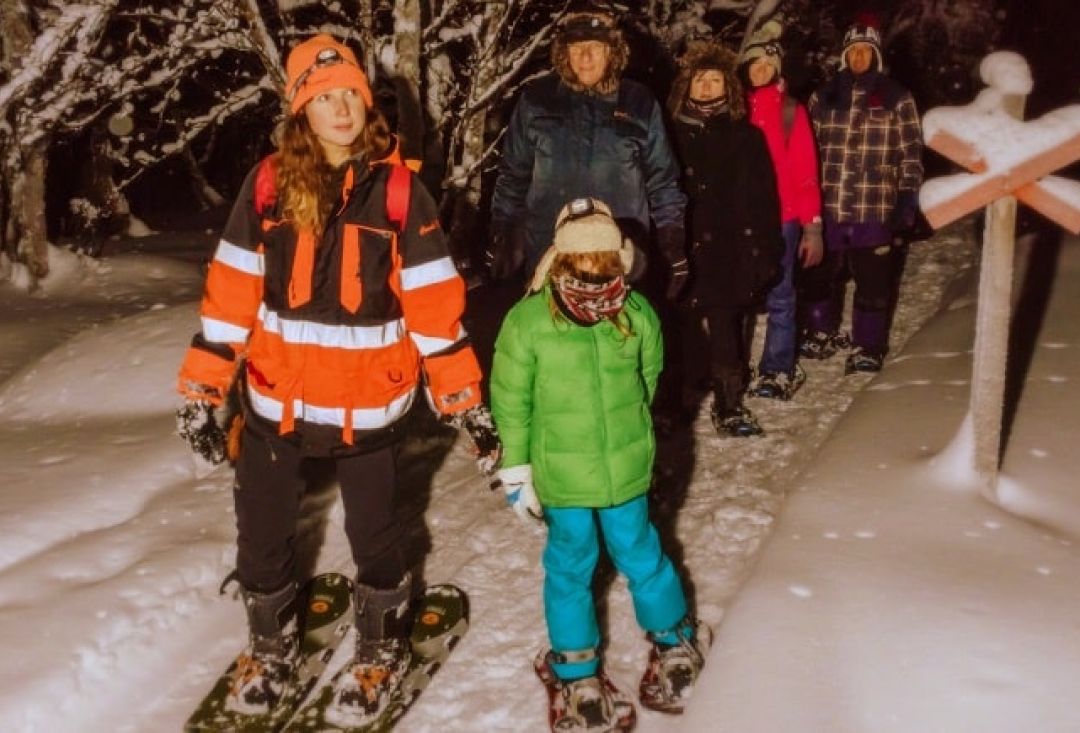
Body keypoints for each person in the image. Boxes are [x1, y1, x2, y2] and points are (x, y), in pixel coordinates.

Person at [174, 34, 499, 728]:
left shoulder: (402, 192)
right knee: (261, 530)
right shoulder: (266, 185)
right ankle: (270, 644)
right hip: (272, 401)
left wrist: (465, 400)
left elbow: (436, 309)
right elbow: (231, 293)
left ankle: (379, 648)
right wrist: (202, 390)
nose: (341, 108)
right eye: (324, 98)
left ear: (366, 101)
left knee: (376, 532)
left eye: (350, 92)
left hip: (367, 407)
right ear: (302, 112)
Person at [490, 198, 710, 730]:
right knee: (643, 557)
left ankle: (578, 672)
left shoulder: (528, 320)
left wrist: (518, 467)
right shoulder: (634, 312)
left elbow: (510, 401)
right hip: (623, 473)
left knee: (570, 569)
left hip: (565, 478)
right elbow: (649, 380)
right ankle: (673, 643)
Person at [487, 0, 687, 299]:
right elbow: (513, 175)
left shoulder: (638, 101)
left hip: (619, 252)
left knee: (616, 341)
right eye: (576, 47)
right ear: (563, 52)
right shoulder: (537, 100)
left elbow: (663, 180)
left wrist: (672, 241)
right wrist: (502, 230)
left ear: (612, 51)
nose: (585, 57)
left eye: (594, 46)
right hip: (550, 250)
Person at [666, 41, 784, 437]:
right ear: (687, 84)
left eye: (715, 80)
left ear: (728, 87)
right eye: (699, 79)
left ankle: (729, 403)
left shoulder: (745, 136)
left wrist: (764, 249)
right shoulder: (668, 132)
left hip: (728, 249)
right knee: (677, 326)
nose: (706, 87)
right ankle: (674, 403)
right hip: (681, 245)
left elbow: (763, 196)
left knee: (725, 326)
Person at [804, 13, 924, 374]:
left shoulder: (896, 97)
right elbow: (806, 152)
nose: (859, 58)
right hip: (829, 205)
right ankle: (820, 330)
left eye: (865, 52)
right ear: (845, 55)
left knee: (873, 281)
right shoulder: (823, 96)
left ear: (876, 55)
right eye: (853, 52)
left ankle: (867, 345)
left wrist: (906, 198)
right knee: (820, 276)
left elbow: (912, 152)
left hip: (874, 206)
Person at [740, 20, 823, 400]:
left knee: (781, 294)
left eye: (766, 65)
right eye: (754, 65)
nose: (760, 71)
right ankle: (732, 366)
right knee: (737, 295)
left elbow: (806, 173)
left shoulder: (791, 111)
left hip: (784, 219)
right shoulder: (734, 109)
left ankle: (777, 368)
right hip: (742, 221)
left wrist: (812, 227)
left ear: (776, 69)